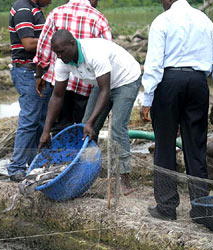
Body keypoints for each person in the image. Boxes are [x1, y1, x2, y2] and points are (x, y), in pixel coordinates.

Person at [140, 0, 213, 221]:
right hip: (198, 82)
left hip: (168, 82)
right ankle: (201, 208)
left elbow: (153, 63)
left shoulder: (162, 21)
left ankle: (166, 207)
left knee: (165, 144)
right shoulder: (204, 20)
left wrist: (147, 97)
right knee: (196, 146)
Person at [38, 30, 141, 193]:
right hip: (101, 85)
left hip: (125, 80)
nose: (59, 56)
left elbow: (105, 91)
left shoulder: (93, 53)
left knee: (117, 128)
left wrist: (92, 122)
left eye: (61, 51)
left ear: (73, 44)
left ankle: (124, 180)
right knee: (84, 129)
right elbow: (57, 97)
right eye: (56, 53)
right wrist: (46, 131)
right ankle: (88, 173)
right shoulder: (62, 61)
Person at [33, 0, 112, 134]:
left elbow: (43, 47)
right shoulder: (98, 18)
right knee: (86, 128)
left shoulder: (56, 13)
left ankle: (63, 154)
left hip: (60, 83)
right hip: (86, 85)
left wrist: (39, 75)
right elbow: (107, 52)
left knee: (60, 130)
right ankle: (81, 153)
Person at [7, 0, 53, 181]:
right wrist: (53, 39)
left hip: (38, 71)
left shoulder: (35, 9)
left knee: (41, 119)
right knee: (30, 119)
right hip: (27, 71)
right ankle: (16, 166)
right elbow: (27, 43)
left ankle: (35, 164)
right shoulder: (23, 9)